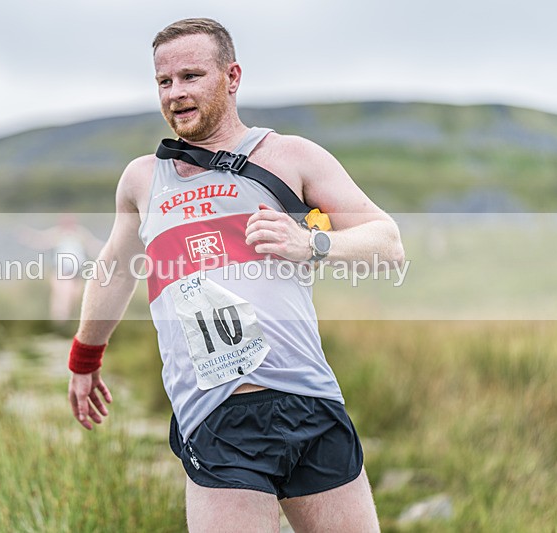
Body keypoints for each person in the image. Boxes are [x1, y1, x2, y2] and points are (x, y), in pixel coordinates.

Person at [68, 17, 403, 532]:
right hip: (215, 416)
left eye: (191, 76)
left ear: (232, 76)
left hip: (308, 400)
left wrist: (311, 243)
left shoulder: (289, 156)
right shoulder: (142, 179)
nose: (175, 93)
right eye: (164, 81)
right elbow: (115, 268)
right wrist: (85, 358)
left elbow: (388, 243)